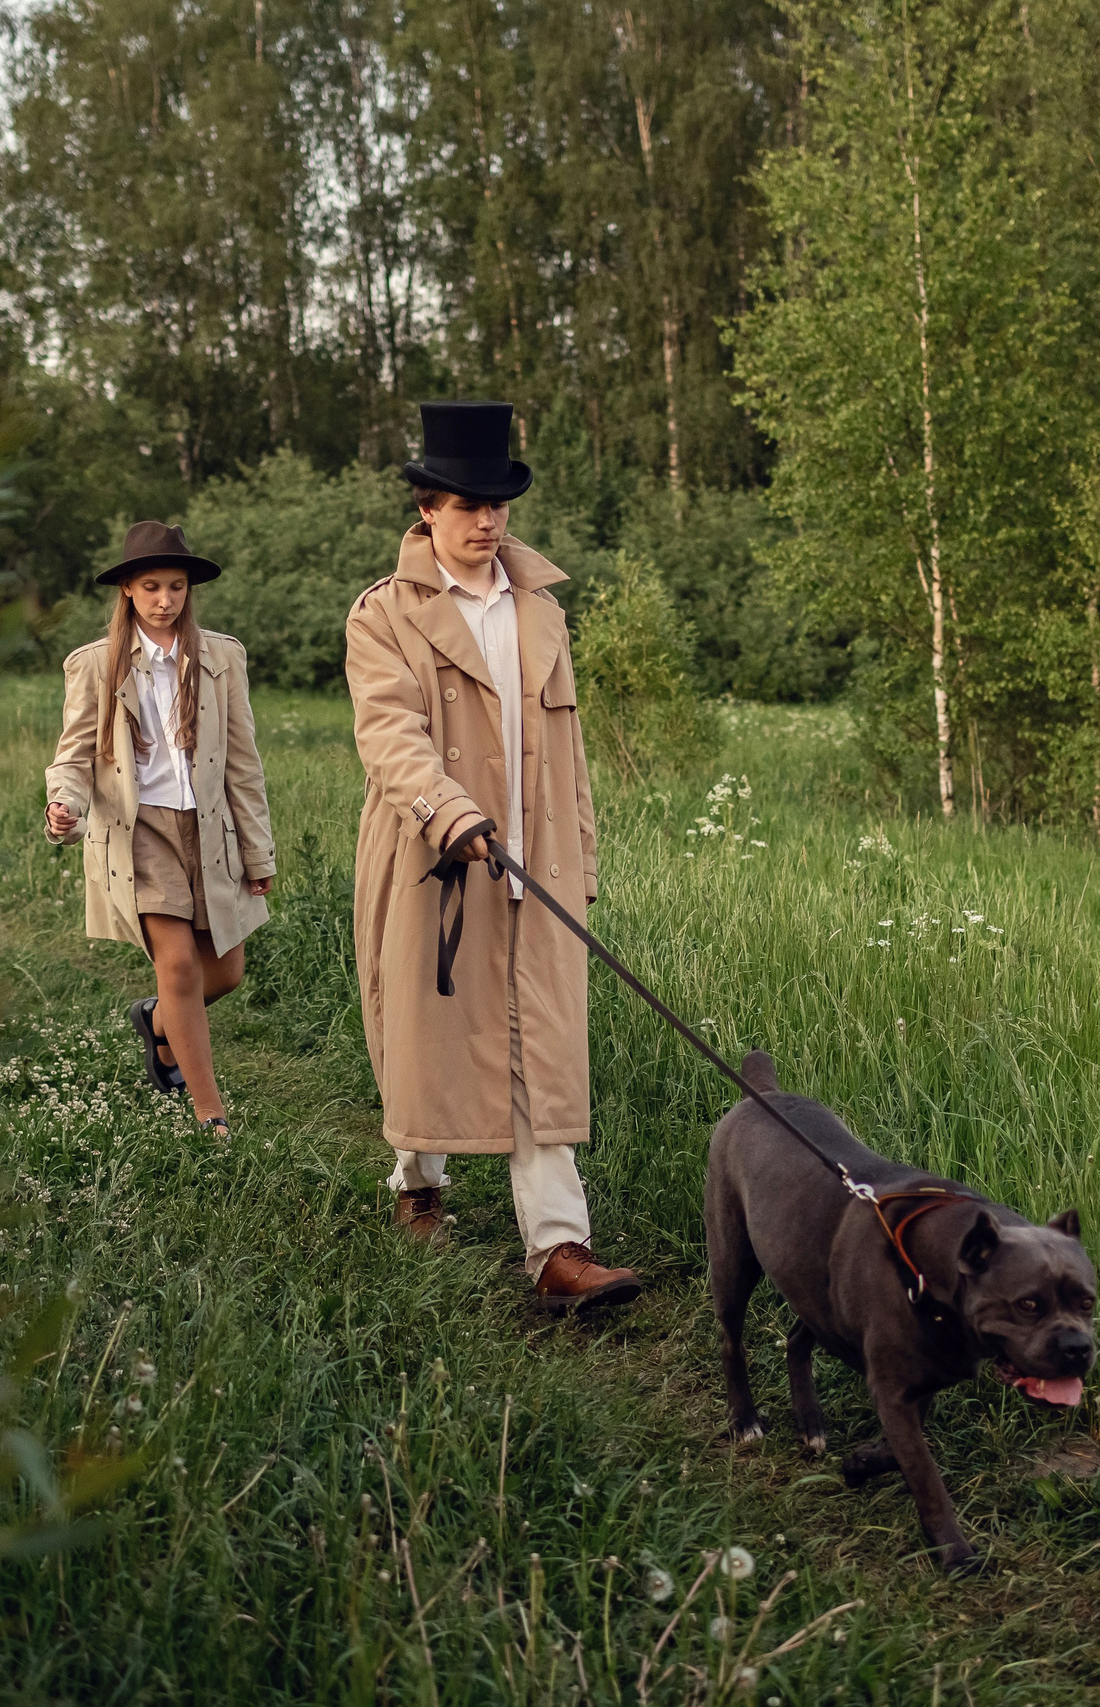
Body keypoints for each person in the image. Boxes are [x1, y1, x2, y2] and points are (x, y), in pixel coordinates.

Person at [345, 400, 641, 1312]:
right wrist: (451, 811)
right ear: (427, 509)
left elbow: (573, 755)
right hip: (435, 863)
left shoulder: (543, 612)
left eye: (498, 503)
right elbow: (388, 734)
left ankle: (558, 1248)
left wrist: (581, 863)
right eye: (467, 504)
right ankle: (417, 1180)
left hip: (537, 865)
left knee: (539, 1042)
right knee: (431, 1036)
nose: (487, 520)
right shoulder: (384, 615)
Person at [47, 520, 276, 1133]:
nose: (165, 600)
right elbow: (72, 755)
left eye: (175, 587)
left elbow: (243, 762)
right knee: (177, 966)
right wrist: (62, 806)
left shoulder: (221, 658)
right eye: (151, 586)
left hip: (210, 830)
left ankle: (158, 1024)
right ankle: (210, 1115)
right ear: (127, 589)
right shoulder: (95, 666)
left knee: (224, 972)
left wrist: (260, 853)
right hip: (139, 831)